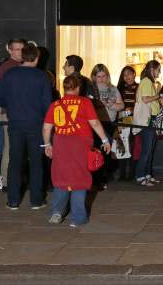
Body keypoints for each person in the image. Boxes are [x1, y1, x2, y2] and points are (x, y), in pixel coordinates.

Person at [43, 76, 113, 228]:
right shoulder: (85, 102)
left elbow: (47, 127)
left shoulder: (55, 104)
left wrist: (47, 144)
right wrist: (105, 140)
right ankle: (78, 218)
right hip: (80, 145)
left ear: (64, 88)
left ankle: (56, 212)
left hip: (61, 144)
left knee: (61, 177)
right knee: (79, 180)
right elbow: (94, 122)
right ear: (78, 88)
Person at [0, 43, 54, 210]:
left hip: (15, 123)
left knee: (15, 161)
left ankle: (13, 201)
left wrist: (12, 105)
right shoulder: (42, 76)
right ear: (36, 58)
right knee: (36, 162)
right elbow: (48, 104)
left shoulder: (10, 74)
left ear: (22, 56)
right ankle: (36, 200)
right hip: (36, 124)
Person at [0, 38, 25, 191]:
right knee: (9, 148)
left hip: (12, 113)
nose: (20, 52)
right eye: (17, 49)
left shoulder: (15, 66)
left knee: (9, 148)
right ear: (9, 50)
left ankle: (7, 182)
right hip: (10, 114)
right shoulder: (9, 67)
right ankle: (7, 183)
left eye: (22, 49)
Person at [90, 64, 124, 189]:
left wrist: (110, 105)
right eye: (98, 76)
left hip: (109, 123)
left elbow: (121, 106)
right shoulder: (91, 89)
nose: (101, 79)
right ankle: (96, 178)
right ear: (94, 77)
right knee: (95, 151)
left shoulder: (113, 89)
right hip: (95, 124)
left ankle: (103, 178)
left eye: (104, 76)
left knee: (106, 152)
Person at [134, 60, 162, 187]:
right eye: (158, 69)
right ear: (152, 69)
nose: (159, 72)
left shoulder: (149, 82)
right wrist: (158, 96)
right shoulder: (146, 81)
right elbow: (145, 99)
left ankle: (147, 175)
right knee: (146, 149)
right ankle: (140, 176)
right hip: (148, 119)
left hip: (152, 118)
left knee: (149, 149)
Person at [115, 66, 139, 181]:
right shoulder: (119, 89)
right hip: (122, 121)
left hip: (135, 121)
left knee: (132, 146)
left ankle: (132, 173)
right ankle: (122, 174)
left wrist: (133, 110)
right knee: (122, 146)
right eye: (124, 75)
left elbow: (140, 104)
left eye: (129, 74)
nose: (127, 77)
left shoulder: (139, 87)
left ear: (134, 74)